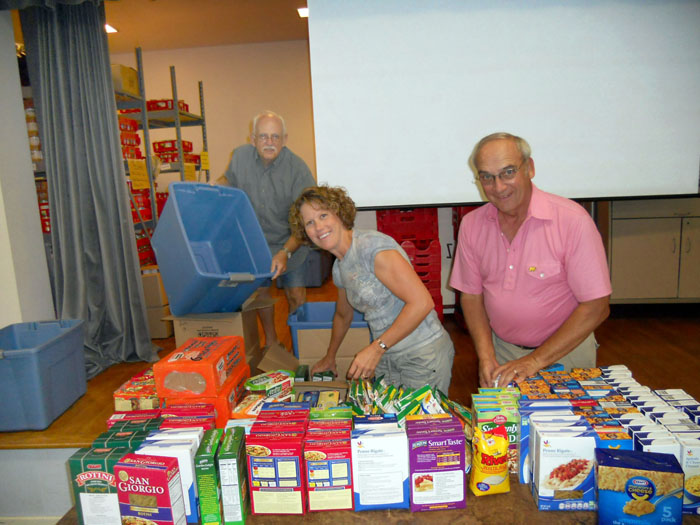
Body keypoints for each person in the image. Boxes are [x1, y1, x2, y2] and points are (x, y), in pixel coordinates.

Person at [449, 132, 611, 388]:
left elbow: (597, 306)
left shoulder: (572, 221)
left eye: (508, 172)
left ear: (530, 168)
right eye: (487, 177)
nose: (498, 187)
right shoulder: (471, 225)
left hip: (566, 355)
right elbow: (471, 295)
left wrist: (533, 361)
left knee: (565, 427)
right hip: (502, 354)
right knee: (502, 427)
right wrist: (486, 356)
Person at [289, 185, 455, 392]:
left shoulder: (373, 248)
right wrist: (330, 356)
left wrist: (376, 349)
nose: (318, 227)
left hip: (422, 354)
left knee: (420, 424)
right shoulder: (340, 267)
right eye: (310, 223)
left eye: (323, 215)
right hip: (388, 357)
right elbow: (342, 315)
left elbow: (422, 303)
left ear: (339, 214)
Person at [223, 110, 316, 352]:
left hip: (291, 240)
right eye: (263, 136)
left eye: (275, 137)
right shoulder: (239, 157)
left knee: (295, 294)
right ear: (252, 139)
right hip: (257, 243)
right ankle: (272, 343)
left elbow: (305, 221)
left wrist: (285, 252)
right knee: (262, 294)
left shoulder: (298, 168)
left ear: (285, 139)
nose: (269, 142)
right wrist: (215, 187)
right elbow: (228, 179)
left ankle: (301, 346)